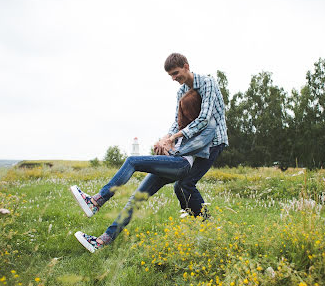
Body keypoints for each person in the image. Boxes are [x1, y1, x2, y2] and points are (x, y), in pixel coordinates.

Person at [71, 88, 216, 253]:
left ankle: (96, 201)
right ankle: (101, 241)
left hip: (181, 165)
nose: (184, 114)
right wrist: (162, 145)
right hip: (171, 162)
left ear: (196, 109)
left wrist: (169, 145)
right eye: (183, 110)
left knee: (132, 161)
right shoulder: (180, 125)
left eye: (187, 110)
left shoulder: (206, 128)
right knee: (135, 199)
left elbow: (192, 149)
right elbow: (170, 140)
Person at [155, 53, 228, 217]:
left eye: (175, 73)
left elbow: (204, 119)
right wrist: (166, 138)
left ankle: (206, 223)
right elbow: (177, 121)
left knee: (186, 183)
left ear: (186, 67)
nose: (173, 78)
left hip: (213, 141)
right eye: (170, 75)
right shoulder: (181, 91)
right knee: (178, 186)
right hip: (194, 143)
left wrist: (174, 138)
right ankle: (194, 220)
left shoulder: (208, 83)